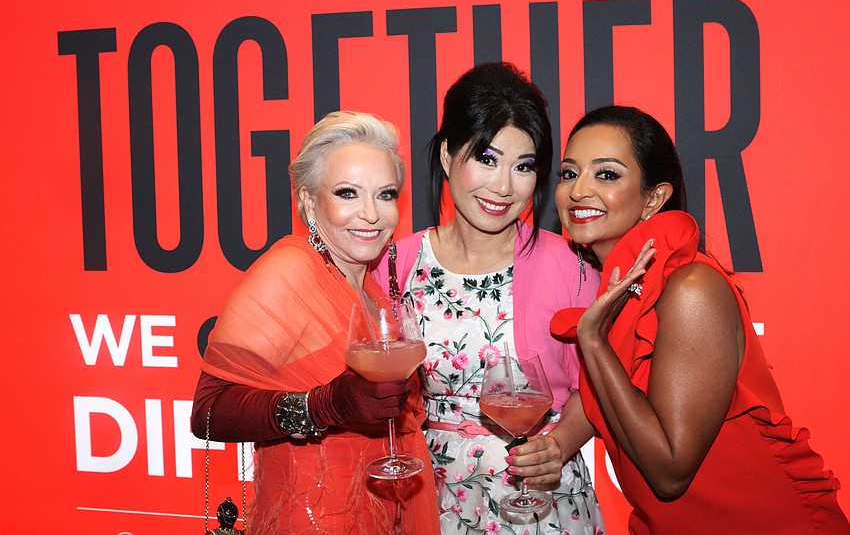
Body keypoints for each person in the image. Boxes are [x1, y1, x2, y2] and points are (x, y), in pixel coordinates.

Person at [548, 104, 850, 534]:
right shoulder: (616, 296)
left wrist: (592, 341)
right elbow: (611, 400)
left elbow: (670, 471)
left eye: (607, 174)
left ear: (653, 197)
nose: (579, 191)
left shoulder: (691, 289)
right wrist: (556, 445)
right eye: (568, 173)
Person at [374, 62, 606, 534]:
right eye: (486, 158)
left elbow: (600, 386)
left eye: (523, 167)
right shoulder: (392, 265)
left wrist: (561, 442)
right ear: (446, 156)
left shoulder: (574, 265)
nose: (503, 187)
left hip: (541, 502)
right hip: (428, 499)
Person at [191, 110, 440, 535]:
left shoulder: (373, 285)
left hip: (381, 515)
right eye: (347, 193)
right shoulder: (290, 270)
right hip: (312, 520)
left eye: (385, 195)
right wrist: (323, 405)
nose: (371, 214)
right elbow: (208, 412)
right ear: (308, 201)